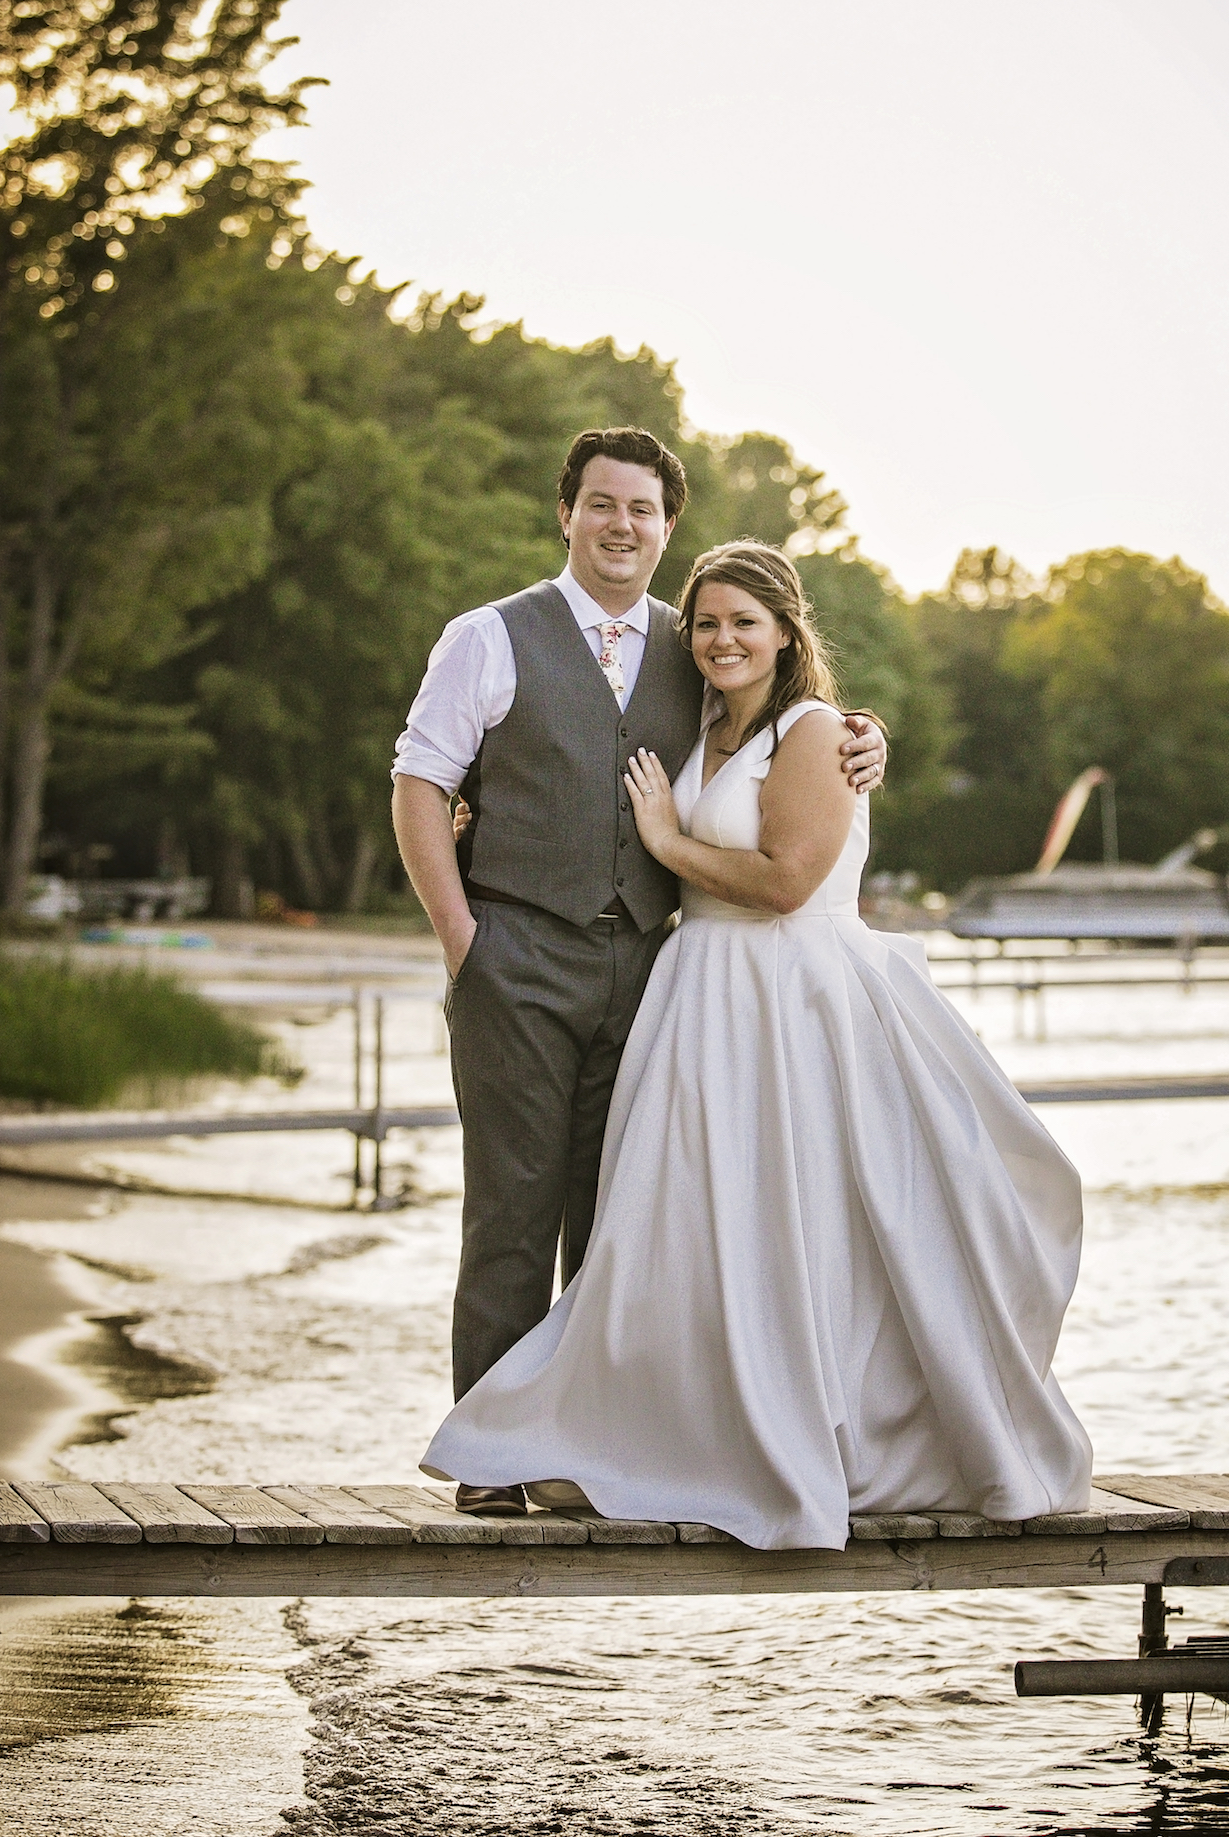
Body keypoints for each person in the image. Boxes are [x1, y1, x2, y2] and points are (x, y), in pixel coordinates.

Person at [423, 541, 1092, 1548]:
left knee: (818, 1229)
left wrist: (672, 840)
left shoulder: (816, 730)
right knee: (695, 1231)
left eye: (745, 621)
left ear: (788, 629)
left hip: (796, 1002)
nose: (722, 639)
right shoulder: (702, 720)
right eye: (706, 623)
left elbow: (785, 881)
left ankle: (842, 1431)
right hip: (702, 995)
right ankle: (655, 1431)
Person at [392, 432, 886, 1517]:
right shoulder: (488, 636)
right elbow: (420, 784)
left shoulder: (694, 643)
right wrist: (461, 937)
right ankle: (490, 1458)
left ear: (668, 527)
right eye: (603, 504)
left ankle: (591, 1445)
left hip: (653, 970)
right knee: (512, 1210)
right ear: (566, 512)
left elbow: (779, 719)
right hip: (513, 955)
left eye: (645, 510)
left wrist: (864, 735)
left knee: (622, 1216)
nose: (623, 526)